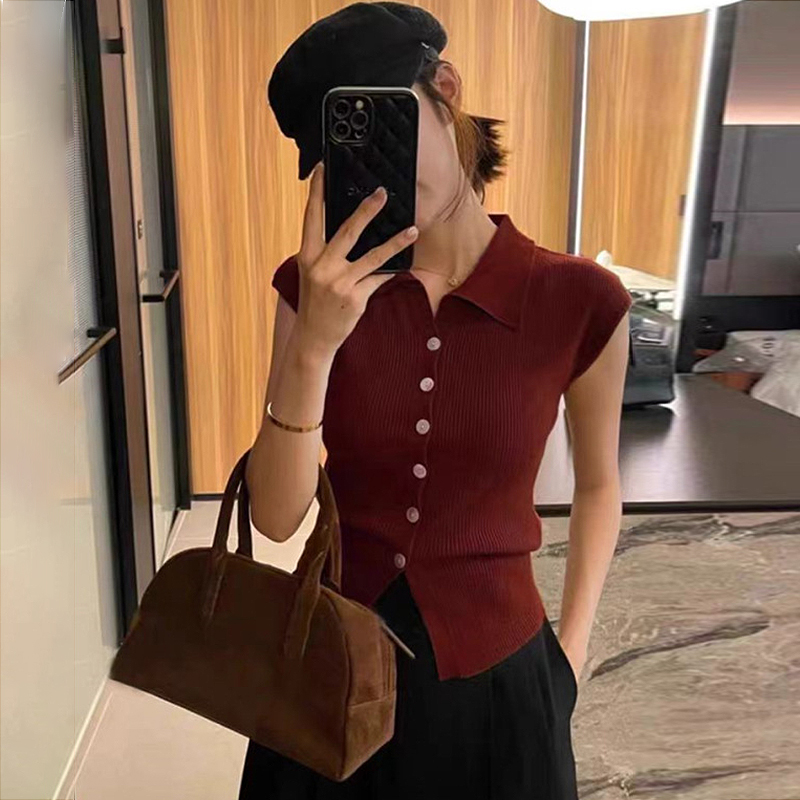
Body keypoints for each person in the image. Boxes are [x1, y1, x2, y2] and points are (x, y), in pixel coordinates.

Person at [240, 3, 632, 798]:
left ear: (444, 90)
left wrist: (572, 652)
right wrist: (314, 343)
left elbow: (598, 484)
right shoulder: (313, 289)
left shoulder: (579, 298)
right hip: (331, 669)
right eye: (346, 159)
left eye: (386, 132)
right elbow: (275, 518)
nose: (378, 178)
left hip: (502, 680)